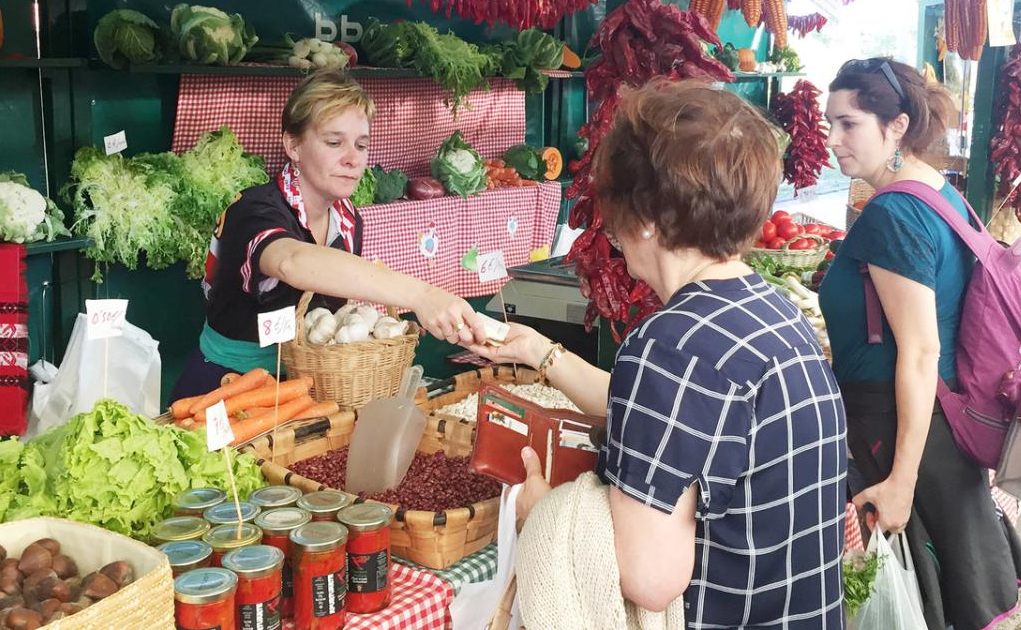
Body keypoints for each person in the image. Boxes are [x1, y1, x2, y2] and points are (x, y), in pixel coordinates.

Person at [466, 79, 847, 628]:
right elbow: (678, 425)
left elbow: (647, 578)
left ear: (642, 216)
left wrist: (545, 513)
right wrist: (538, 351)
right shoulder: (772, 311)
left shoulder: (670, 345)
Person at [820, 57, 1021, 630]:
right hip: (932, 421)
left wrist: (901, 483)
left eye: (848, 124)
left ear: (896, 127)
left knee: (908, 601)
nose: (832, 139)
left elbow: (918, 352)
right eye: (829, 123)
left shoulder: (893, 213)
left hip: (897, 432)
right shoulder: (941, 192)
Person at [171, 70, 485, 402]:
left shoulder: (348, 220)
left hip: (307, 388)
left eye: (361, 145)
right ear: (293, 145)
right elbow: (292, 261)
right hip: (228, 388)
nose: (352, 158)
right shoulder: (253, 210)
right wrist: (421, 296)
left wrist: (371, 327)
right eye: (334, 143)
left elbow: (326, 313)